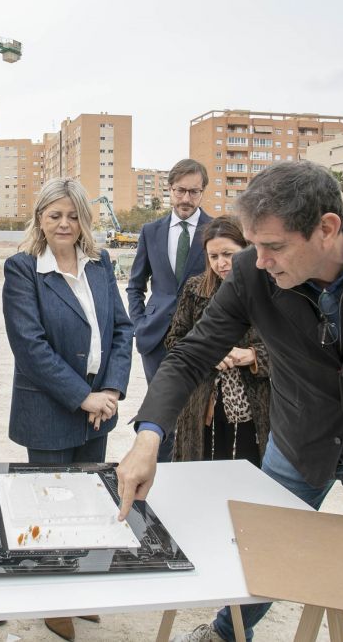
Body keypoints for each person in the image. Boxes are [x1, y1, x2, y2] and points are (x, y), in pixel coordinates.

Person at [117, 160, 343, 642]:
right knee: (263, 557)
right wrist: (149, 436)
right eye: (255, 245)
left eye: (274, 246)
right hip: (297, 441)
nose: (260, 260)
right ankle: (227, 633)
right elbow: (191, 355)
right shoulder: (252, 270)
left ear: (327, 228)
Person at [2, 178, 133, 641]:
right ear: (39, 217)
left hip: (99, 409)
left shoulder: (99, 264)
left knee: (92, 507)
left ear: (84, 220)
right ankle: (52, 602)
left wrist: (112, 390)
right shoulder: (22, 270)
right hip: (52, 410)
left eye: (73, 215)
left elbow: (122, 328)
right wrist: (83, 395)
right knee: (48, 513)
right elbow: (30, 346)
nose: (64, 223)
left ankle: (79, 594)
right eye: (55, 214)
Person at [163, 216, 270, 466]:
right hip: (202, 406)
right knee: (203, 477)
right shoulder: (195, 289)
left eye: (228, 254)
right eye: (213, 257)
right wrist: (208, 354)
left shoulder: (270, 288)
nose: (221, 263)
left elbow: (291, 350)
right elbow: (174, 341)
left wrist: (253, 356)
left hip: (257, 408)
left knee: (249, 482)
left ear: (247, 249)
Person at [127, 159, 212, 461]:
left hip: (200, 338)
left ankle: (188, 475)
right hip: (156, 338)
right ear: (170, 190)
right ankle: (157, 475)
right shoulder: (151, 231)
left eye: (193, 192)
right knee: (161, 410)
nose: (186, 199)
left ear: (203, 192)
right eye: (180, 191)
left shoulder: (214, 230)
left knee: (195, 414)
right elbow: (135, 285)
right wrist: (139, 322)